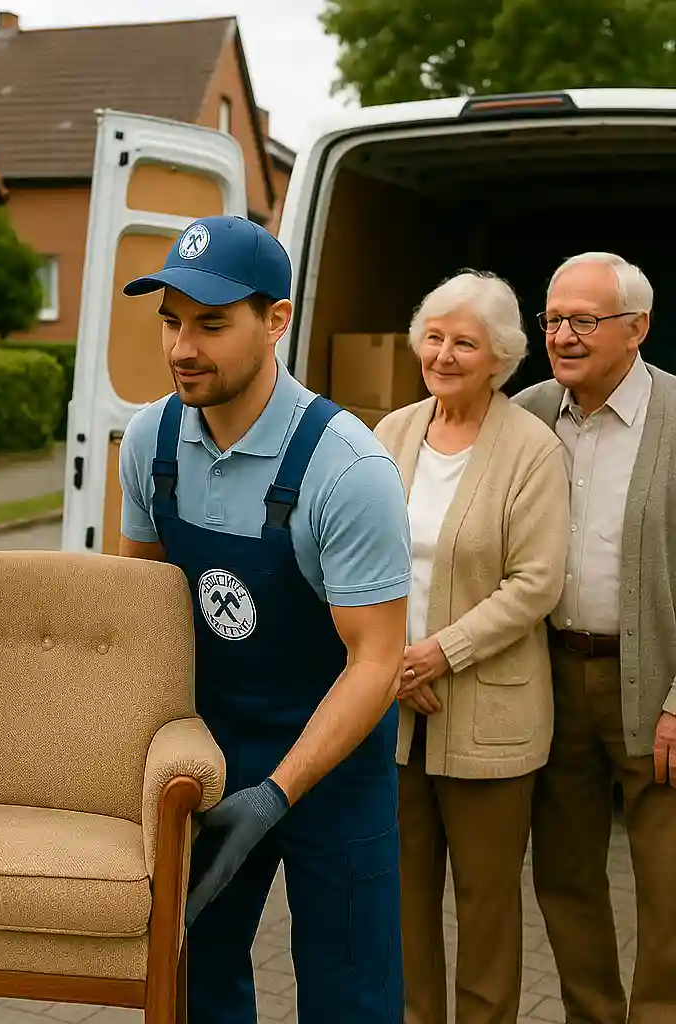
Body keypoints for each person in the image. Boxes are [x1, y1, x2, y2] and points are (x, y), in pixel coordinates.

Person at [117, 214, 411, 1023]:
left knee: (350, 989)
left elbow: (377, 662)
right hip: (206, 747)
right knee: (192, 975)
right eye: (171, 320)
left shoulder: (346, 468)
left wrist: (277, 793)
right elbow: (142, 614)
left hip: (333, 754)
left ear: (276, 320)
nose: (182, 346)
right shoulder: (151, 443)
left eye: (211, 324)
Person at [373, 271, 569, 1024]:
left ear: (501, 357)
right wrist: (392, 659)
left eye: (465, 341)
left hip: (490, 721)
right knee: (400, 900)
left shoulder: (531, 449)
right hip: (391, 709)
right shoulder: (389, 433)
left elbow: (535, 582)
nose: (444, 353)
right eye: (434, 335)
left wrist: (437, 654)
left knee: (487, 909)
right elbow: (348, 559)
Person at [514, 252, 676, 1024]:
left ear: (637, 328)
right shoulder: (530, 410)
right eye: (552, 319)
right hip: (552, 676)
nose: (563, 335)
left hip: (658, 686)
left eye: (585, 320)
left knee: (667, 884)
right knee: (566, 875)